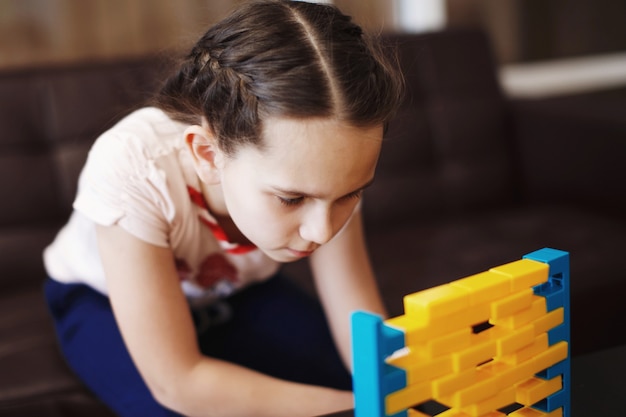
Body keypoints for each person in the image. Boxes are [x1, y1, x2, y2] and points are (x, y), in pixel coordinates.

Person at [43, 1, 404, 416]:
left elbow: (358, 322)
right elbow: (179, 383)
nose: (322, 232)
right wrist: (359, 407)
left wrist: (401, 393)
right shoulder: (132, 166)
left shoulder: (330, 169)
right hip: (99, 299)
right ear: (208, 155)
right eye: (291, 199)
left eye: (349, 195)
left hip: (237, 290)